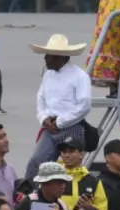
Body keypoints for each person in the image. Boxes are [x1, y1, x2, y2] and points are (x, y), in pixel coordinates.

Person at [26, 34, 93, 179]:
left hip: (72, 127)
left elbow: (84, 105)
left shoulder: (79, 76)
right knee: (36, 163)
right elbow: (40, 99)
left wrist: (60, 122)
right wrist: (44, 118)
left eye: (48, 55)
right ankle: (31, 196)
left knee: (71, 168)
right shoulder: (48, 75)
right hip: (49, 128)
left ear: (60, 57)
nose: (45, 58)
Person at [56, 136, 110, 210]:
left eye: (71, 151)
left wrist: (90, 208)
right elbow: (37, 206)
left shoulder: (93, 182)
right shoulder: (52, 179)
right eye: (64, 152)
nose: (66, 155)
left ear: (81, 154)